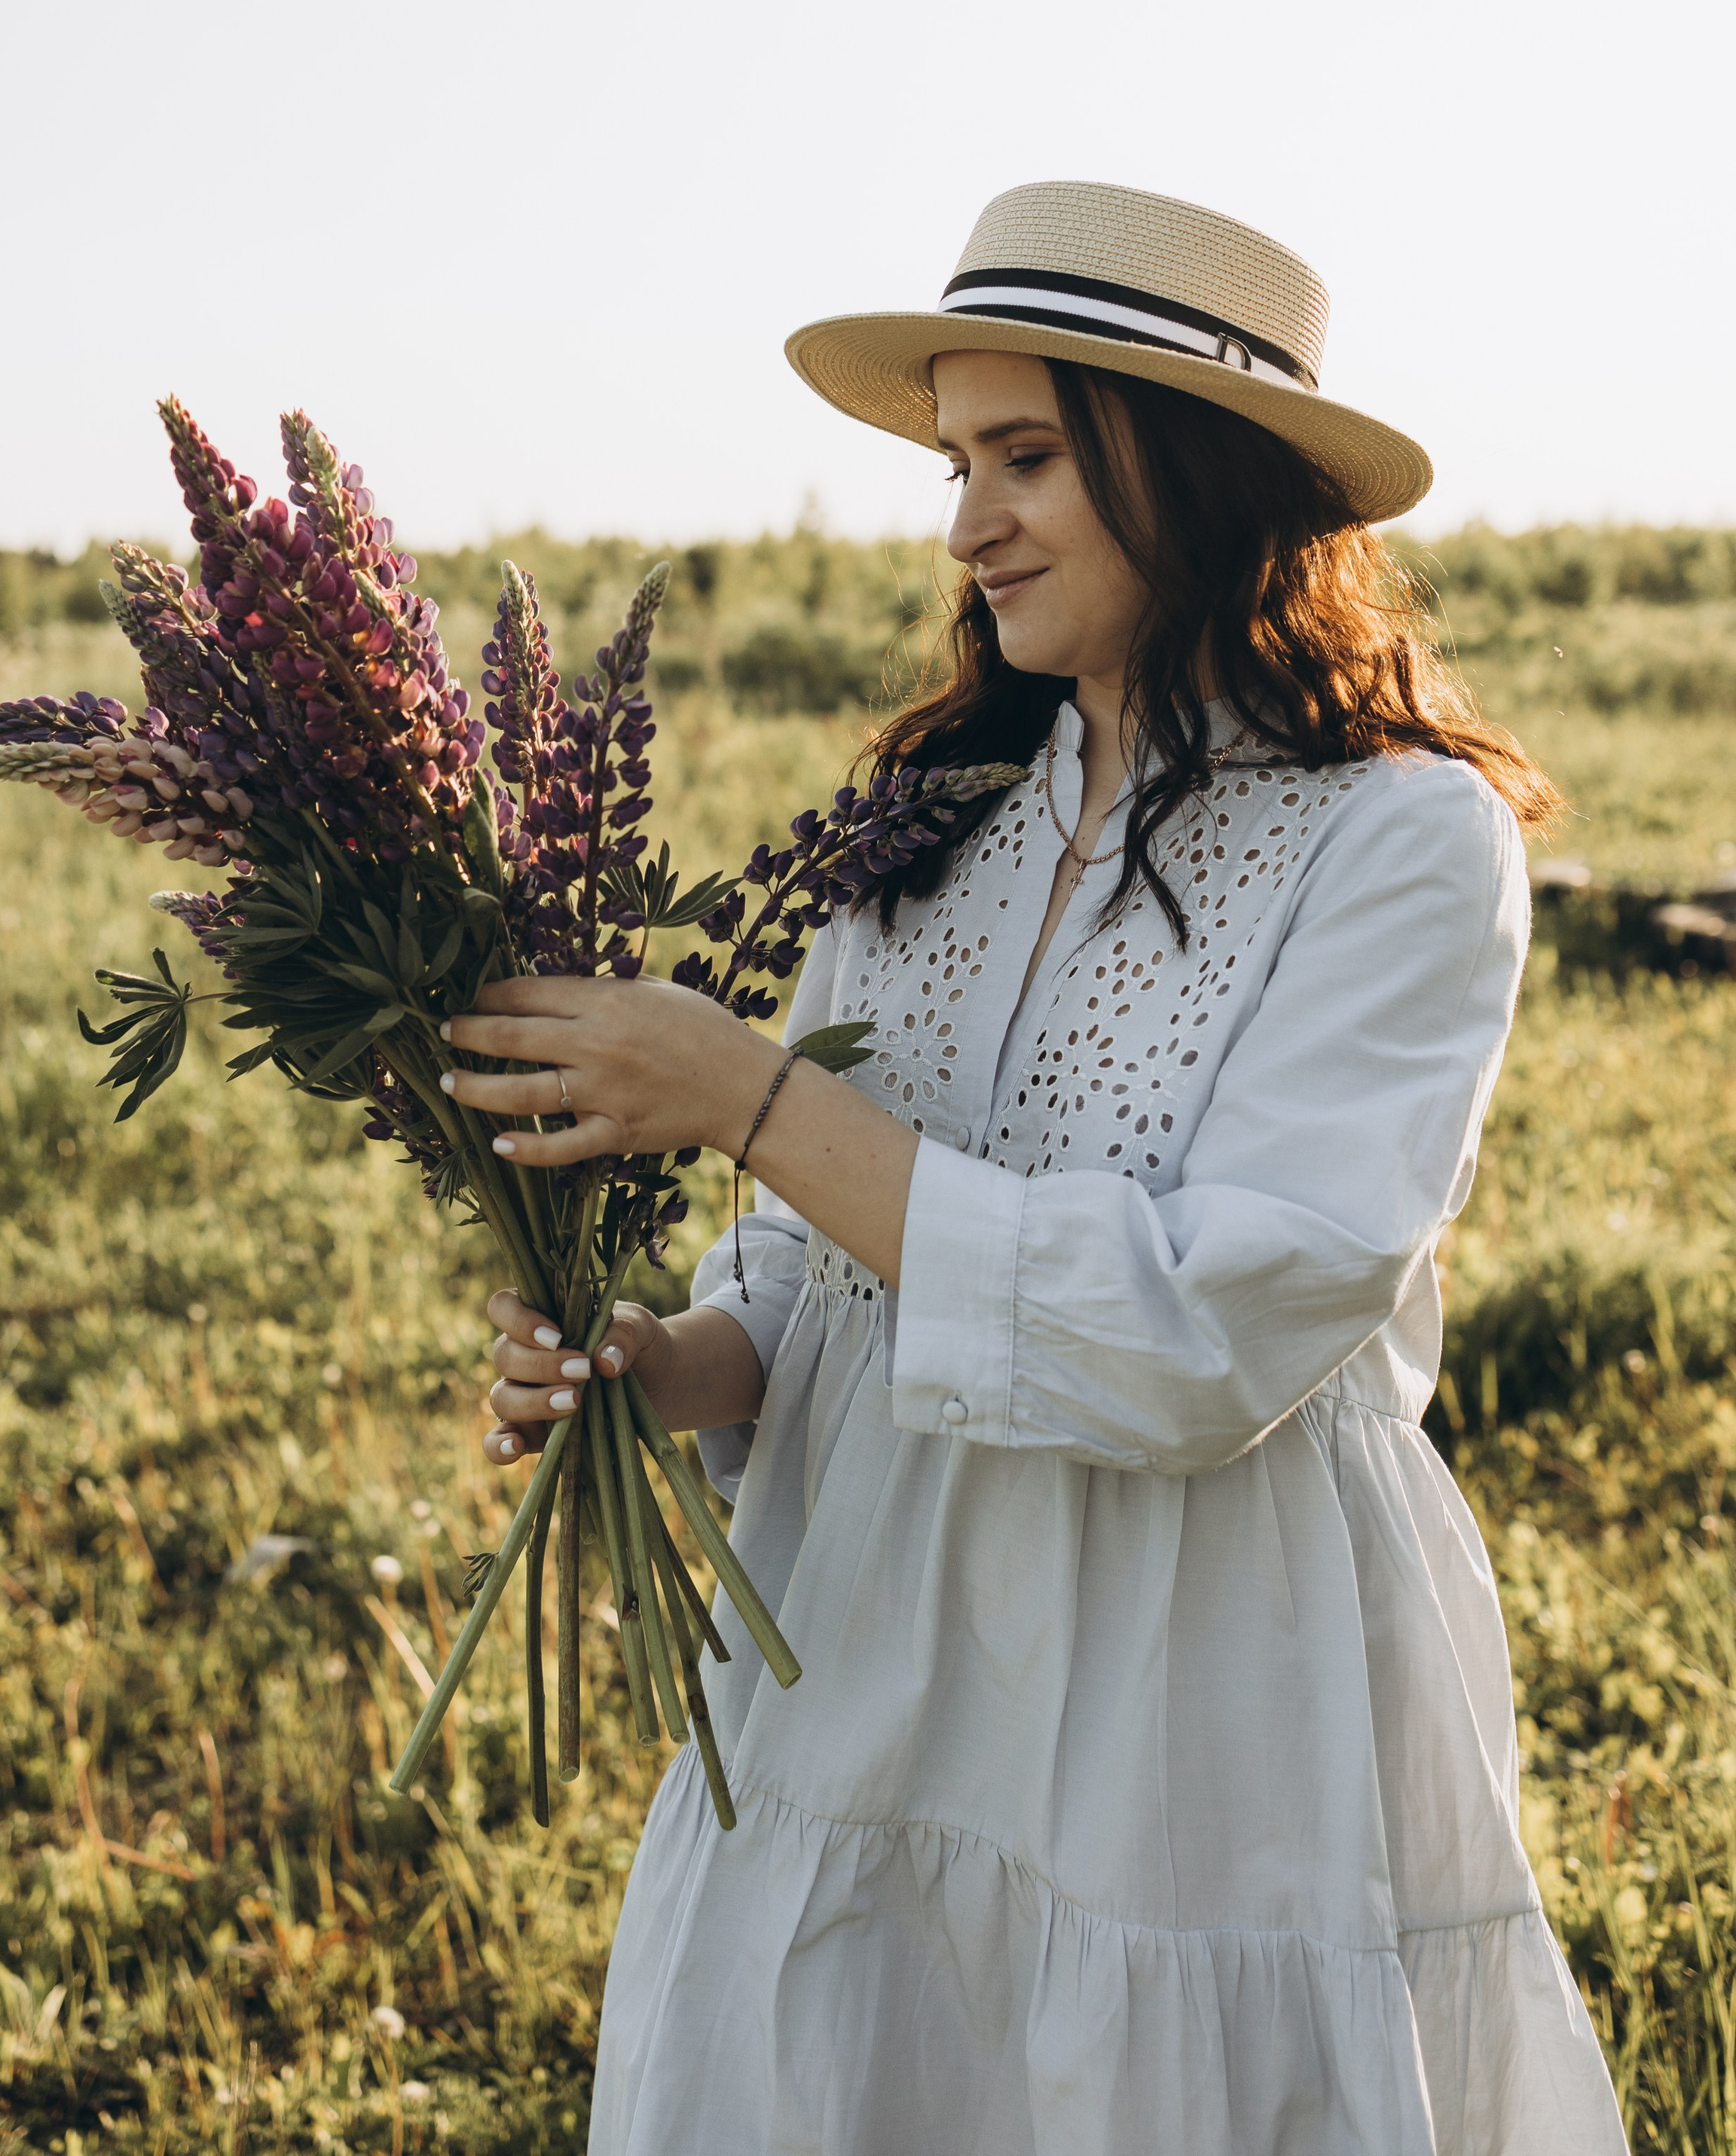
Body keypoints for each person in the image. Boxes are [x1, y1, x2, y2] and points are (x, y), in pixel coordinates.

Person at [445, 182, 1627, 2156]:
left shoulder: (1401, 845)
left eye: (1027, 457)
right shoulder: (929, 826)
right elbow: (813, 1283)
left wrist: (744, 1093)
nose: (967, 522)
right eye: (955, 464)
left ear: (1200, 472)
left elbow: (1205, 1339)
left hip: (1201, 1698)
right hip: (870, 1663)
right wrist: (663, 1365)